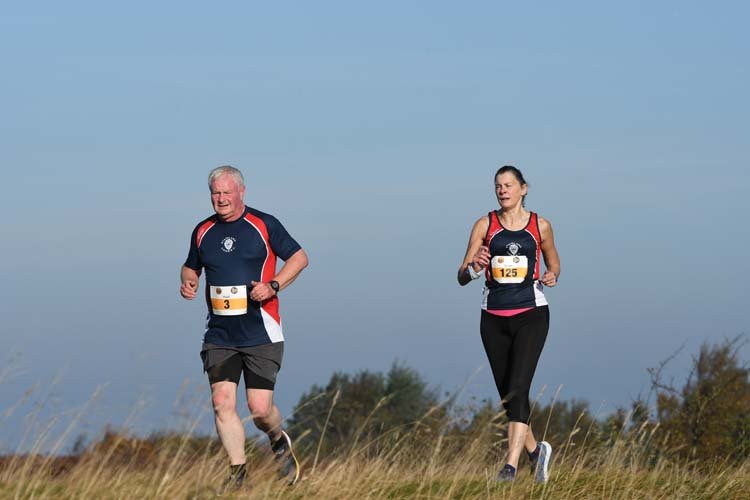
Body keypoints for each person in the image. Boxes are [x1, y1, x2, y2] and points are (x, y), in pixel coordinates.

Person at [180, 165, 309, 490]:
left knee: (259, 409)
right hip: (220, 334)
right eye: (215, 193)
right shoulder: (203, 231)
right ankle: (238, 476)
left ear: (241, 192)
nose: (221, 198)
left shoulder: (264, 224)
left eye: (226, 192)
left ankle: (278, 441)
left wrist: (273, 286)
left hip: (261, 331)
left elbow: (299, 258)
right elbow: (190, 267)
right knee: (221, 402)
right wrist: (188, 280)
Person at [457, 165, 560, 483]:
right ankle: (536, 453)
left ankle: (510, 467)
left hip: (531, 315)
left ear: (523, 189)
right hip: (492, 319)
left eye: (509, 185)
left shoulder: (540, 225)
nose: (503, 190)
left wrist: (552, 275)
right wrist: (475, 267)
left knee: (518, 387)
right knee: (509, 397)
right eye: (498, 186)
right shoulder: (484, 224)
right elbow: (461, 275)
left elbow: (554, 260)